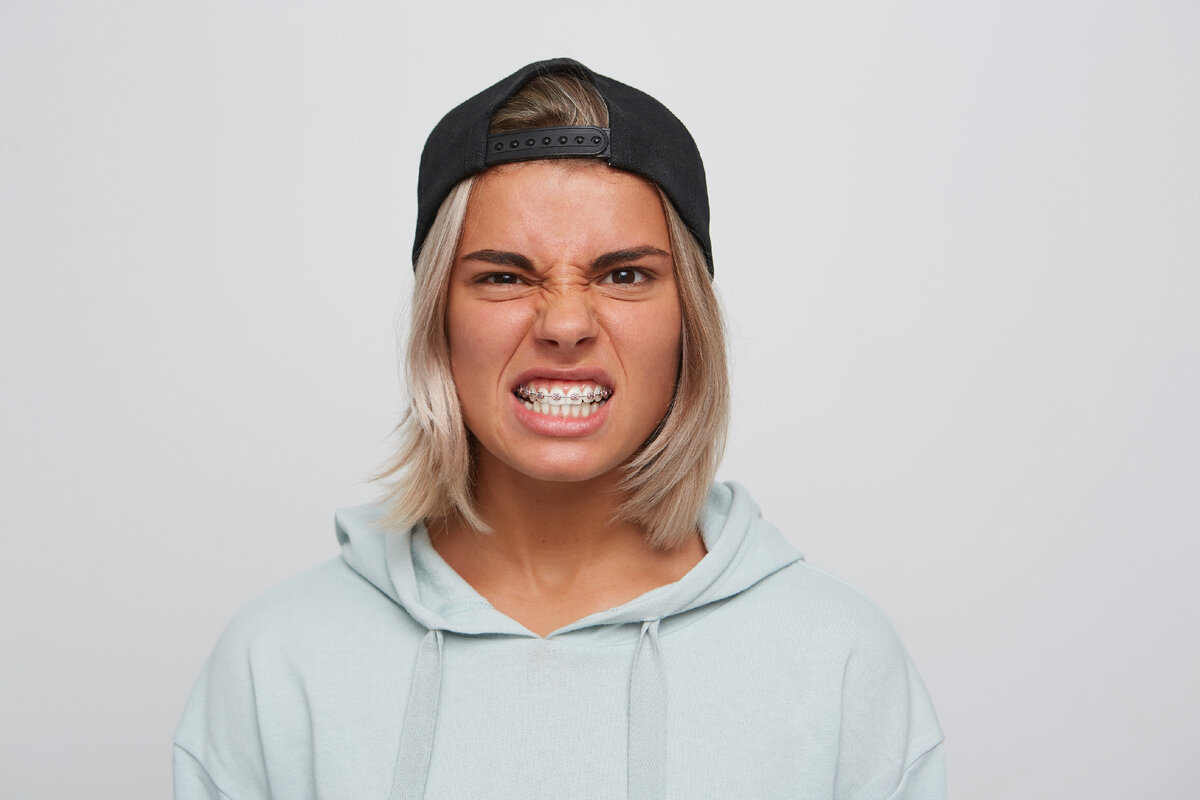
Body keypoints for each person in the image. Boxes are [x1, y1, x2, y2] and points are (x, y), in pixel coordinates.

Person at [174, 58, 945, 800]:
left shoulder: (838, 662)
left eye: (624, 275)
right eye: (505, 276)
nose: (567, 323)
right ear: (440, 320)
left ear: (690, 323)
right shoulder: (278, 666)